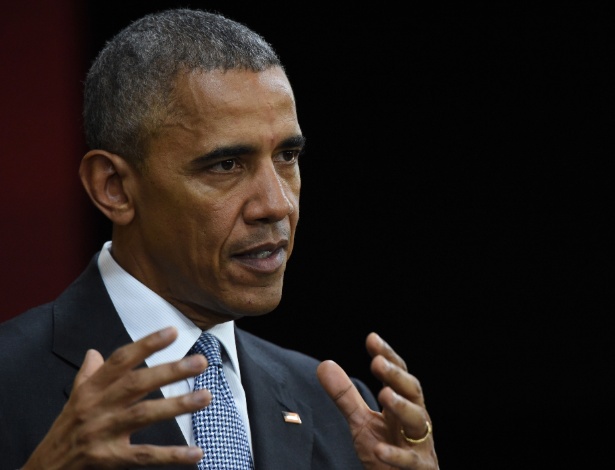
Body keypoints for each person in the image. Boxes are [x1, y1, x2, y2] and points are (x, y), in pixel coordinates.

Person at [0, 8, 438, 470]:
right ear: (114, 187)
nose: (276, 204)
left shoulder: (339, 411)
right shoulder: (10, 384)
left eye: (288, 156)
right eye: (226, 165)